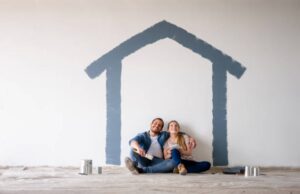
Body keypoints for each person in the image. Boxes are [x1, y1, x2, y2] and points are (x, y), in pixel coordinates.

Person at [124, 117, 196, 174]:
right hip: (145, 157)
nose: (157, 125)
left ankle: (141, 170)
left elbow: (175, 131)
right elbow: (132, 142)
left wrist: (190, 137)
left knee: (174, 162)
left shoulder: (164, 134)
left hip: (158, 161)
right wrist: (138, 148)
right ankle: (135, 165)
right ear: (151, 124)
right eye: (155, 123)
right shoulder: (143, 135)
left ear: (161, 128)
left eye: (159, 125)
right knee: (133, 150)